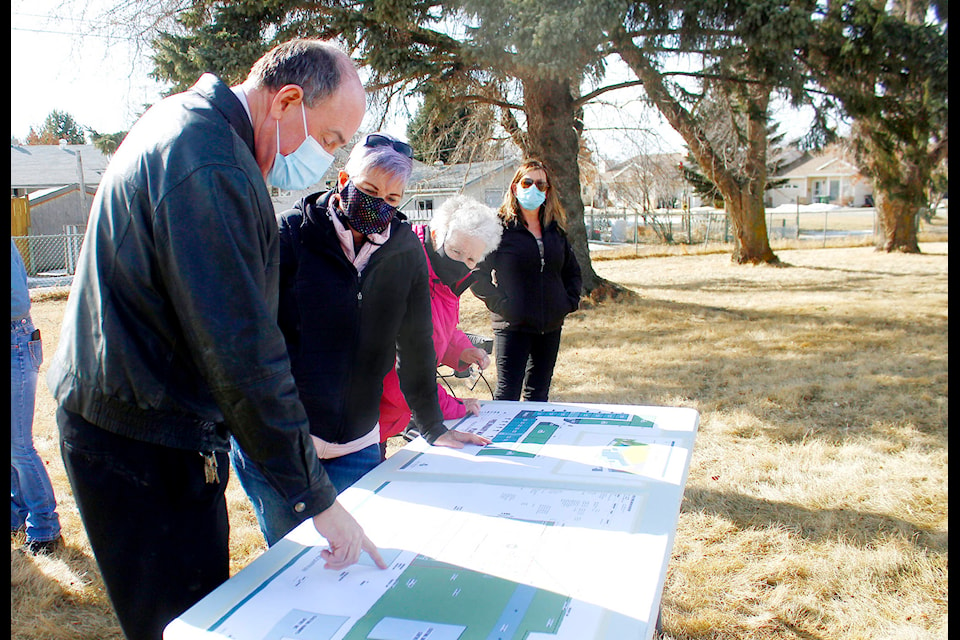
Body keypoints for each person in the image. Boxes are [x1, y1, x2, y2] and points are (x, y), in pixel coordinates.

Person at [46, 39, 386, 640]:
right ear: (287, 101)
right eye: (330, 141)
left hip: (141, 409)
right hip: (140, 435)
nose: (330, 162)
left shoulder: (201, 133)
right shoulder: (211, 163)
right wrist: (317, 498)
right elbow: (241, 350)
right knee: (181, 622)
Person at [230, 133, 491, 547]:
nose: (378, 204)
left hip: (359, 443)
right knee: (292, 561)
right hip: (281, 447)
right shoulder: (290, 235)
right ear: (343, 178)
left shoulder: (402, 248)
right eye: (368, 190)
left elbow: (417, 343)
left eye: (391, 198)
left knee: (357, 563)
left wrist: (432, 425)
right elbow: (247, 340)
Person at [378, 195, 504, 455]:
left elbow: (434, 329)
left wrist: (460, 351)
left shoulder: (445, 281)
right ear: (436, 234)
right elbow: (400, 370)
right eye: (456, 252)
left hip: (387, 418)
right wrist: (452, 407)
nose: (461, 263)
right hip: (362, 418)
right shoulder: (406, 272)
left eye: (471, 259)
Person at [470, 160, 582, 402]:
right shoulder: (498, 228)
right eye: (527, 182)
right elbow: (476, 274)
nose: (534, 189)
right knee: (507, 394)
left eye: (540, 184)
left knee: (538, 394)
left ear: (547, 191)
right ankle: (503, 440)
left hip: (550, 325)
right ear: (514, 187)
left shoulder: (555, 230)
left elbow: (572, 272)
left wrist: (567, 302)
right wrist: (502, 305)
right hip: (513, 327)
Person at [11, 240, 63, 556]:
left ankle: (45, 527)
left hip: (15, 343)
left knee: (19, 445)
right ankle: (16, 516)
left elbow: (17, 303)